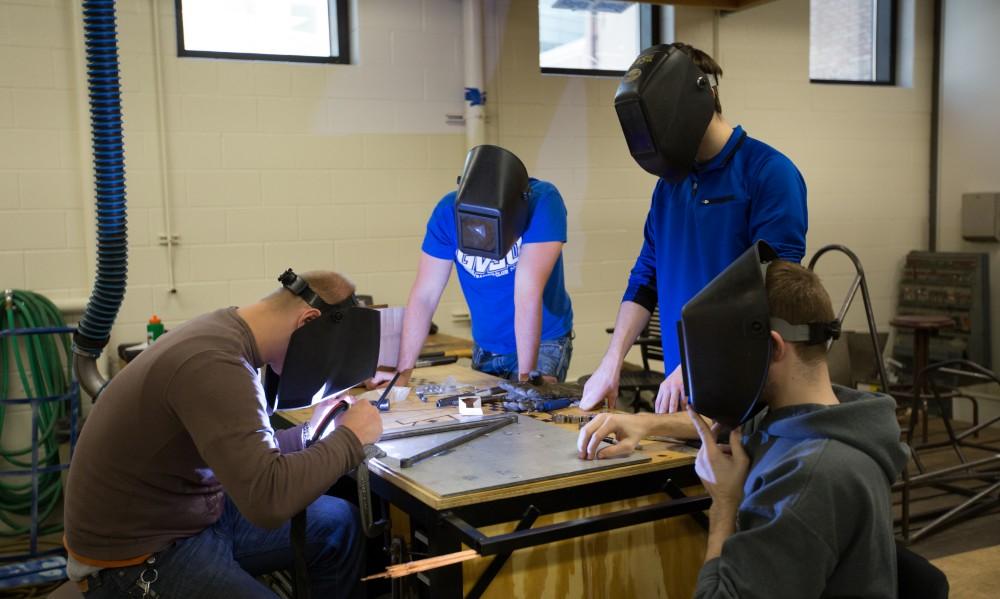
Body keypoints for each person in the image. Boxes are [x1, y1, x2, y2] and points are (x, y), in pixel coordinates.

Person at [578, 251, 908, 598]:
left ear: (772, 347)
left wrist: (723, 506)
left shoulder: (808, 478)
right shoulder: (815, 418)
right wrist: (645, 423)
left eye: (728, 350)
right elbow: (720, 426)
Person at [63, 270, 384, 598]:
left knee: (337, 524)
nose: (320, 370)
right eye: (324, 356)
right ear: (308, 321)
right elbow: (268, 501)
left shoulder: (226, 330)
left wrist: (309, 433)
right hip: (137, 557)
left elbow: (244, 454)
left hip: (191, 512)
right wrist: (351, 439)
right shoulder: (216, 363)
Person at [581, 42, 808, 413]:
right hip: (683, 384)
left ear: (701, 95)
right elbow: (645, 279)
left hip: (747, 389)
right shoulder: (669, 185)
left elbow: (774, 290)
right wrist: (612, 361)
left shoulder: (768, 173)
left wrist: (698, 366)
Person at [369, 145, 573, 388]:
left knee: (531, 414)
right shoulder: (447, 212)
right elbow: (425, 295)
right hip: (487, 344)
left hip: (543, 341)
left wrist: (527, 381)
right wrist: (403, 372)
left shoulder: (543, 202)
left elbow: (527, 292)